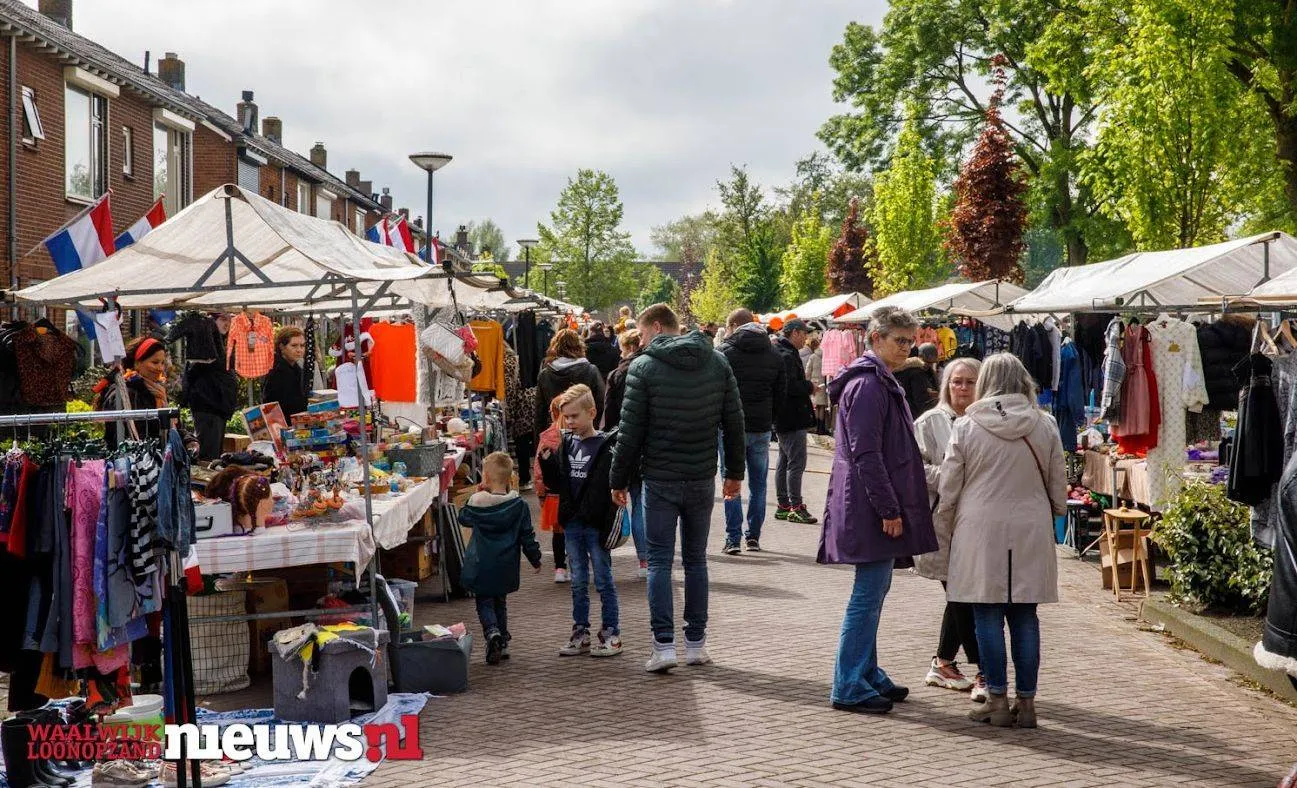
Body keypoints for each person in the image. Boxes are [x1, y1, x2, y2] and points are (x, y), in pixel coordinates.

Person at [610, 303, 744, 673]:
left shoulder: (644, 367)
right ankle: (696, 645)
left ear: (655, 327)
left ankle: (663, 646)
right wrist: (734, 472)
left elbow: (630, 432)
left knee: (658, 562)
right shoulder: (717, 362)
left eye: (641, 334)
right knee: (696, 561)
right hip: (701, 476)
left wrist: (617, 480)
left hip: (659, 478)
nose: (639, 341)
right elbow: (734, 422)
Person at [818, 306, 939, 714]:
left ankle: (865, 672)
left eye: (909, 340)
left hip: (871, 502)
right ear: (875, 339)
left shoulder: (880, 379)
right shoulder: (868, 385)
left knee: (875, 591)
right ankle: (849, 683)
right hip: (870, 506)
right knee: (866, 595)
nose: (906, 347)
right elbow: (866, 454)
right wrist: (888, 507)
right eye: (898, 340)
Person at [935, 353, 1066, 728]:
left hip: (980, 529)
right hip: (1030, 525)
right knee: (1025, 615)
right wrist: (1054, 508)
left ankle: (995, 698)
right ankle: (1026, 704)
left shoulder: (966, 425)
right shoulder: (1045, 425)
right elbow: (1058, 480)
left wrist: (945, 524)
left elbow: (949, 486)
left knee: (986, 615)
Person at [912, 357, 986, 699]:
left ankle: (943, 662)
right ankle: (985, 669)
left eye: (970, 382)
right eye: (956, 381)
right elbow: (915, 469)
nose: (962, 388)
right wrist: (953, 476)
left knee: (962, 594)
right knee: (961, 594)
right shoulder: (929, 422)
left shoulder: (988, 423)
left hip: (979, 522)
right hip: (943, 519)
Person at [539, 385, 623, 658]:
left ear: (592, 413)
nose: (570, 422)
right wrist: (548, 462)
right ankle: (580, 631)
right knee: (578, 581)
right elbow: (558, 482)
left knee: (603, 579)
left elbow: (609, 485)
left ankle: (611, 633)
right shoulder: (566, 442)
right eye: (566, 417)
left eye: (575, 416)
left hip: (595, 523)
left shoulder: (606, 445)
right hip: (573, 523)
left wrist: (605, 516)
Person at [459, 452, 543, 665]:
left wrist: (474, 496)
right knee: (500, 601)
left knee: (484, 601)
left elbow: (463, 518)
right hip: (506, 564)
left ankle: (492, 632)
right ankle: (503, 641)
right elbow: (527, 535)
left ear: (485, 477)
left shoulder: (477, 504)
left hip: (481, 563)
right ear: (510, 479)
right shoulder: (519, 505)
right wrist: (535, 558)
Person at [536, 329, 607, 582]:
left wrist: (541, 444)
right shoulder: (590, 372)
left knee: (561, 503)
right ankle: (585, 559)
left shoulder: (545, 374)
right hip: (587, 442)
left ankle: (563, 565)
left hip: (554, 440)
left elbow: (538, 411)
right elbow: (600, 405)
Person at [718, 308, 786, 554]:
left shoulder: (725, 353)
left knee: (730, 481)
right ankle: (753, 536)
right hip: (761, 427)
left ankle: (732, 537)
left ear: (734, 325)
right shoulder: (774, 354)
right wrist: (771, 419)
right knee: (759, 484)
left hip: (731, 428)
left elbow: (718, 392)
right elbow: (781, 394)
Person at [603, 328, 648, 578]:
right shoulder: (649, 371)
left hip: (623, 443)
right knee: (642, 504)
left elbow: (609, 414)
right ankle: (645, 560)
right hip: (645, 445)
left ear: (624, 347)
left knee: (619, 500)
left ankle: (606, 555)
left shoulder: (617, 375)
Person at [773, 319, 818, 525]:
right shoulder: (787, 355)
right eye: (804, 334)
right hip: (792, 416)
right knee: (796, 464)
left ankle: (784, 505)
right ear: (795, 333)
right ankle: (796, 506)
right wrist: (809, 386)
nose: (806, 338)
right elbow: (790, 387)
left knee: (784, 461)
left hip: (784, 416)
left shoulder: (783, 352)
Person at [260, 326, 310, 419]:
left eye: (302, 346)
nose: (299, 350)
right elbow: (271, 404)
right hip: (282, 426)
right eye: (294, 345)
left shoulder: (296, 368)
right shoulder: (276, 370)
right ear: (282, 347)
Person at [894, 342, 940, 418]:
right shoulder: (917, 373)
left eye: (932, 363)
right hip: (915, 417)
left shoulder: (920, 371)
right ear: (920, 357)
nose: (929, 365)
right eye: (928, 362)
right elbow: (923, 402)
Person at [804, 335, 829, 435]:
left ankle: (817, 427)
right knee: (822, 406)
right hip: (824, 382)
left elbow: (808, 371)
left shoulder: (813, 357)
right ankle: (821, 428)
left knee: (816, 406)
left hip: (814, 382)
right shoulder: (825, 356)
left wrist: (807, 382)